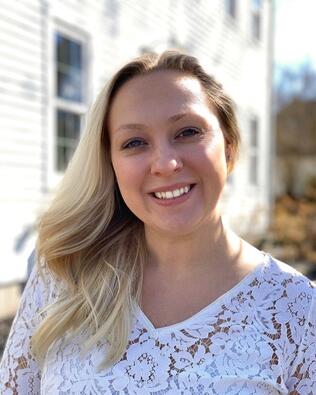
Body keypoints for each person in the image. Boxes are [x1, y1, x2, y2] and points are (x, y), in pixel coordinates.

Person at [0, 51, 315, 394]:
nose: (165, 163)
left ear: (229, 147)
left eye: (188, 131)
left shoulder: (297, 309)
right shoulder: (63, 274)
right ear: (112, 165)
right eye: (134, 142)